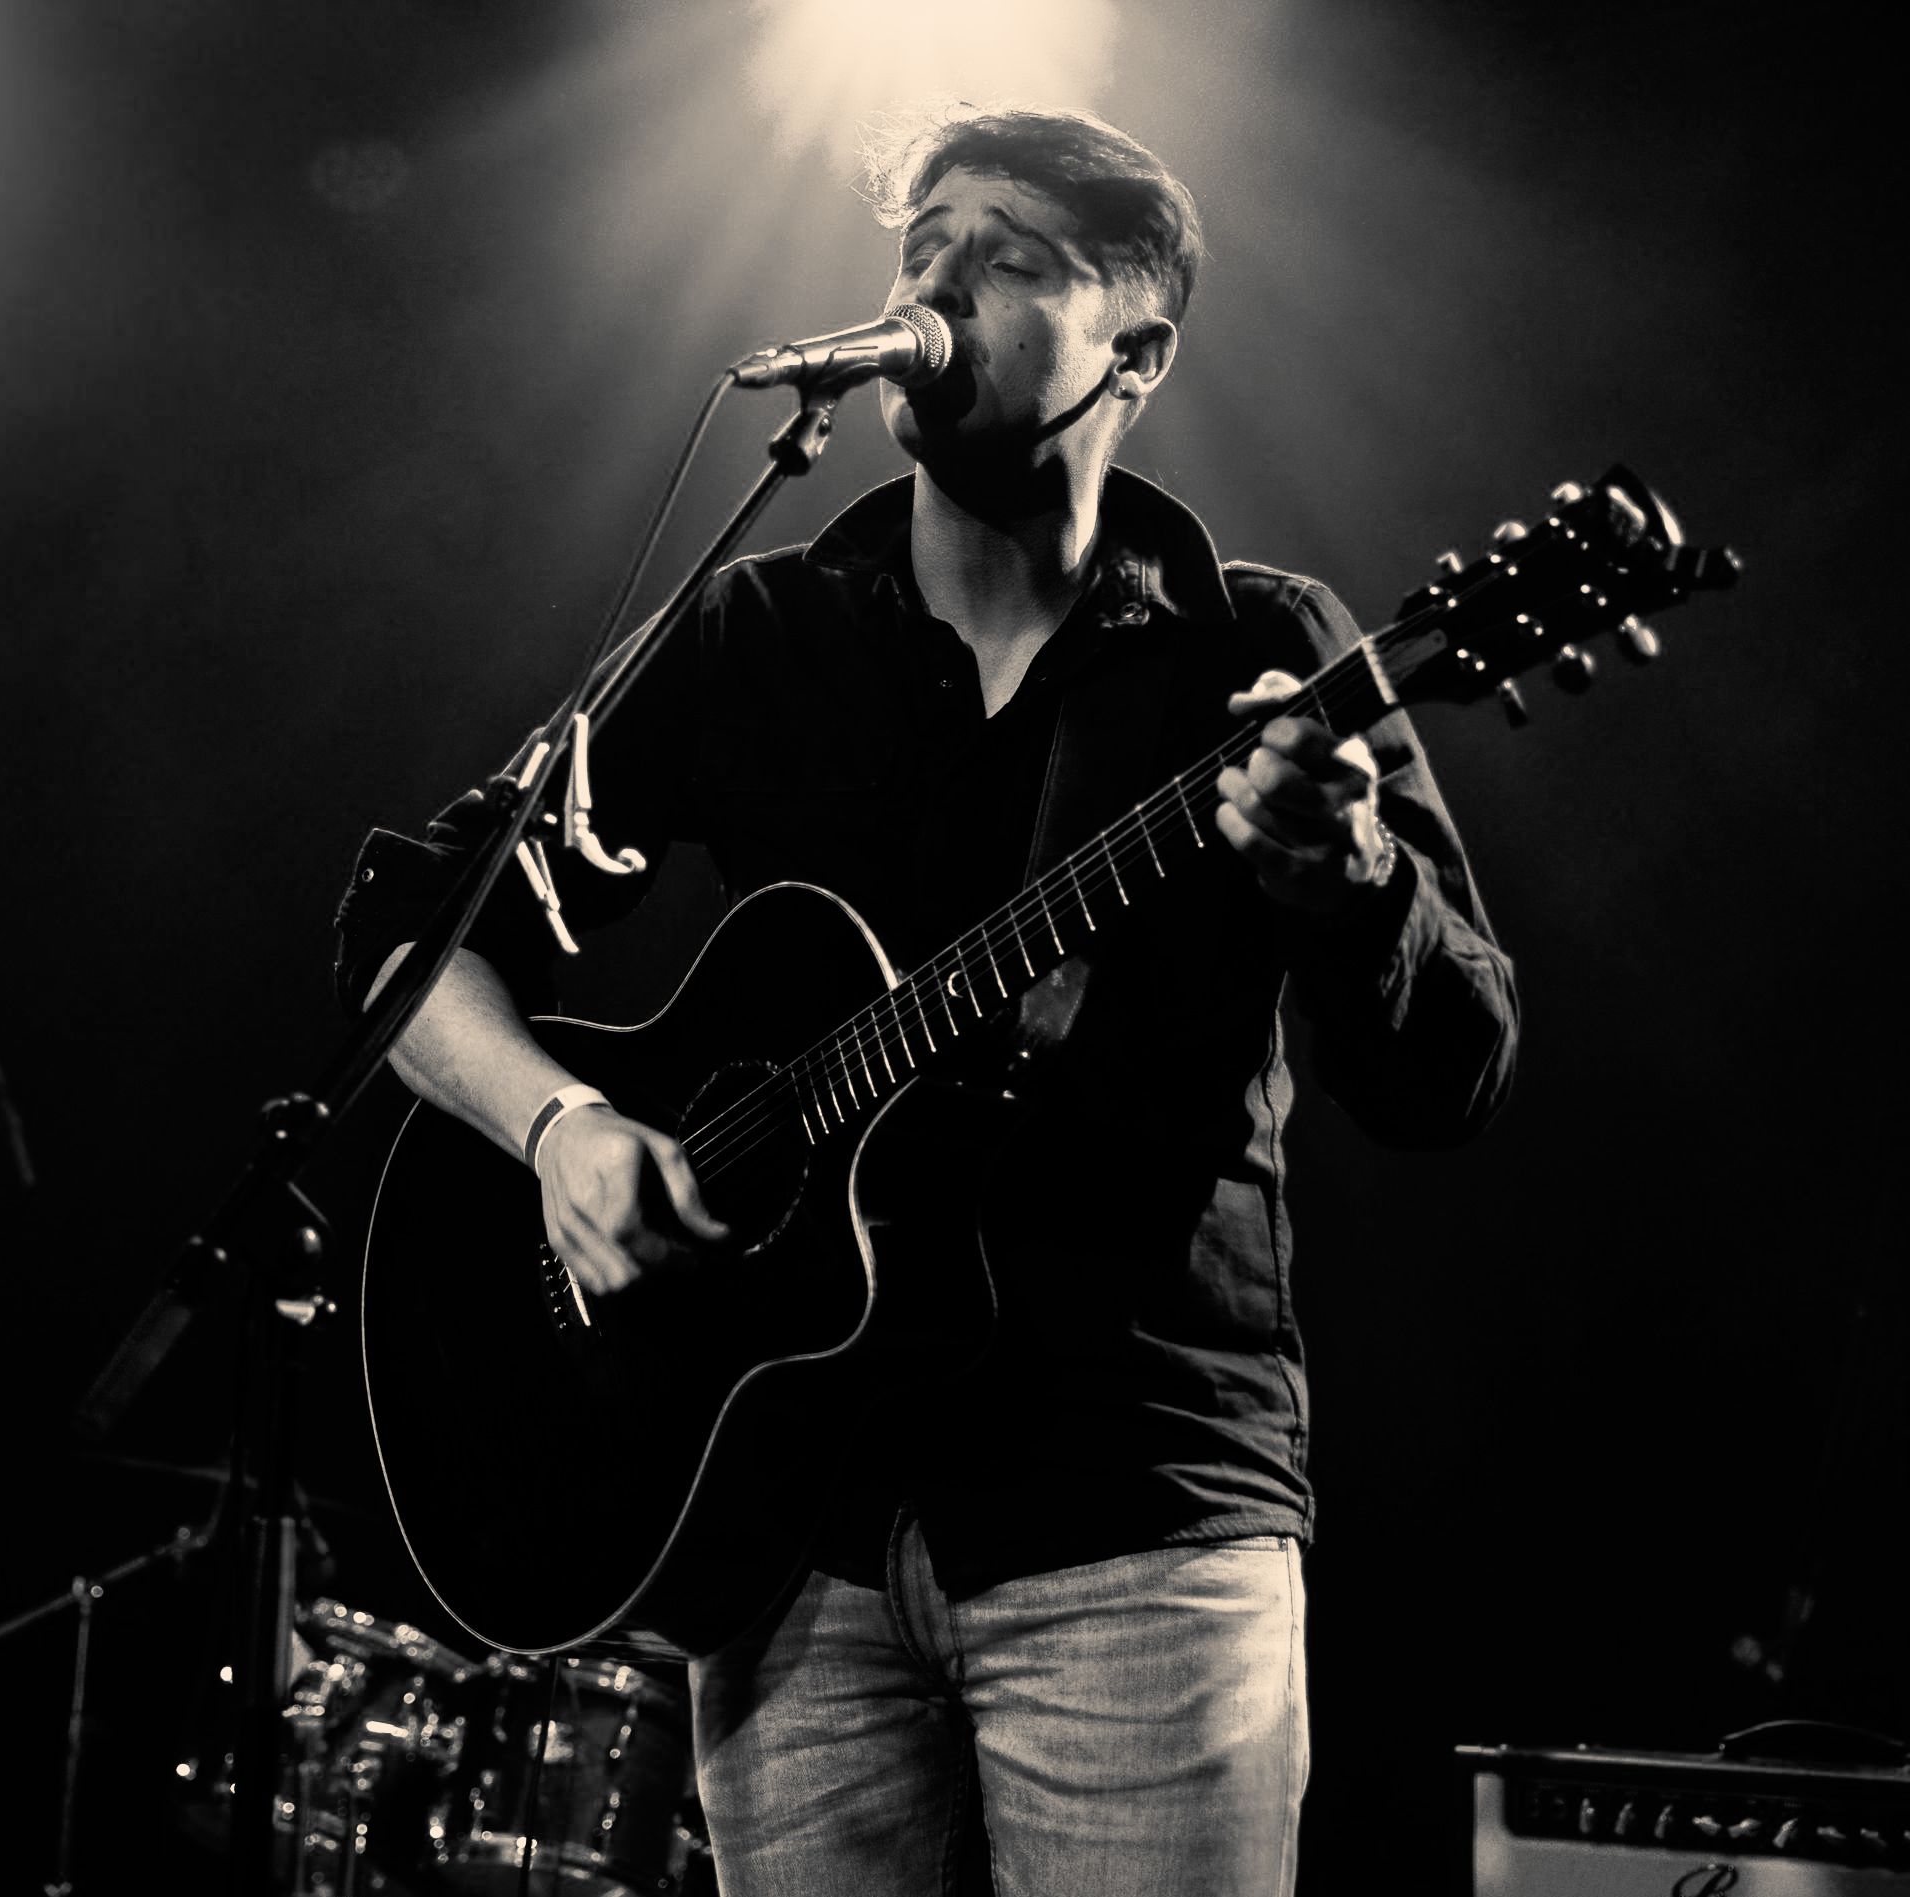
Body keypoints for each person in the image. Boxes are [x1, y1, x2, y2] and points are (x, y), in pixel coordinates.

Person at [335, 107, 1517, 1897]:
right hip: (786, 1528)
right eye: (923, 250)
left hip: (1134, 1518)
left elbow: (1454, 1071)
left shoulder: (1253, 657)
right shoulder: (760, 636)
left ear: (1140, 352)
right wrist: (563, 1123)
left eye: (1014, 258)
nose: (938, 287)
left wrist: (1344, 879)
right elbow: (411, 948)